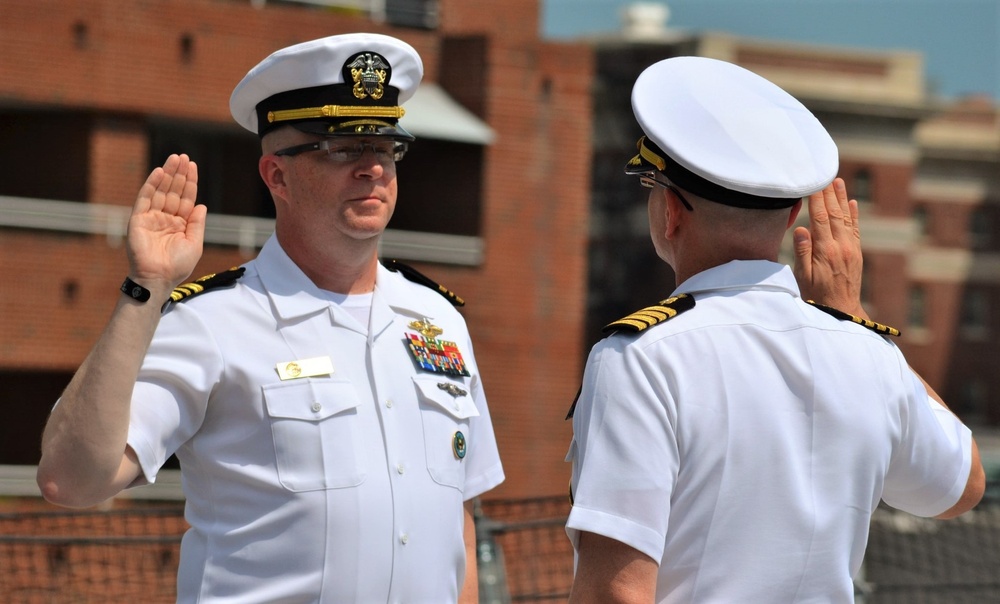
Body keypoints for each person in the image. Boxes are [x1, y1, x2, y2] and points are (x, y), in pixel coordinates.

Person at [36, 32, 504, 603]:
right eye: (342, 150)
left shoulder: (437, 318)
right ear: (276, 176)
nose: (372, 169)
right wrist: (148, 288)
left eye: (384, 148)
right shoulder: (212, 320)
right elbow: (71, 480)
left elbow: (456, 517)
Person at [564, 56, 985, 603]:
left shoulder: (642, 356)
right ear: (790, 219)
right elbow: (961, 486)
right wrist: (852, 319)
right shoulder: (868, 355)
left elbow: (615, 592)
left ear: (670, 211)